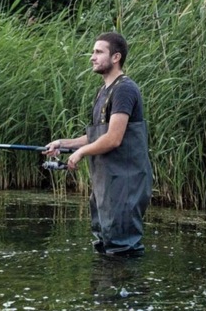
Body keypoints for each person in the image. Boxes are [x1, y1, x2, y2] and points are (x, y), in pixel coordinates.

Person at [44, 32, 153, 256]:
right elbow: (96, 136)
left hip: (125, 183)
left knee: (123, 249)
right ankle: (105, 290)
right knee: (103, 244)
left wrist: (81, 153)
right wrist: (64, 143)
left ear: (116, 57)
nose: (92, 57)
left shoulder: (124, 89)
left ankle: (128, 289)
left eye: (98, 52)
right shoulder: (103, 91)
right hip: (106, 185)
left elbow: (113, 138)